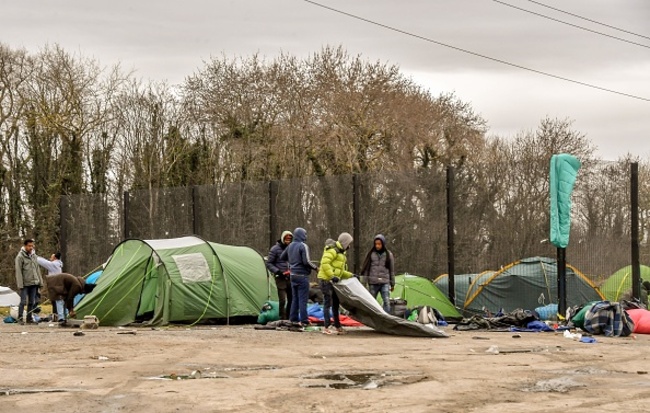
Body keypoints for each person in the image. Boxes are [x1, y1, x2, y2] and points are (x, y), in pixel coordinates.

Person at [280, 227, 318, 327]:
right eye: (305, 234)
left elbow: (282, 257)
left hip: (292, 275)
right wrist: (316, 268)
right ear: (302, 235)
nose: (306, 236)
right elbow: (307, 262)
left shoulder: (290, 245)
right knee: (303, 300)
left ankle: (293, 319)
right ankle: (304, 321)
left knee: (294, 299)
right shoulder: (303, 246)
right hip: (302, 276)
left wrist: (291, 263)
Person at [317, 232, 354, 335]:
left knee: (336, 303)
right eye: (348, 243)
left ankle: (337, 326)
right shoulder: (332, 250)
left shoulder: (342, 254)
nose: (349, 246)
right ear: (344, 243)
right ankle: (326, 326)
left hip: (333, 282)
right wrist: (331, 276)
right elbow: (325, 263)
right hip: (325, 280)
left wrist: (351, 275)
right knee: (327, 303)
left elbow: (340, 271)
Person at [360, 234, 395, 313]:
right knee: (371, 302)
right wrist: (364, 283)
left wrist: (392, 283)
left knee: (386, 301)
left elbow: (391, 270)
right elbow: (366, 269)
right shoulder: (370, 254)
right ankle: (371, 317)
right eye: (376, 244)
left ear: (383, 244)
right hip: (373, 282)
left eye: (379, 244)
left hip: (384, 282)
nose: (377, 246)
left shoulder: (389, 255)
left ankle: (387, 318)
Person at [15, 239, 43, 324]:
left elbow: (37, 269)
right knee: (23, 301)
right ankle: (20, 318)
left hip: (34, 283)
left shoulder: (34, 256)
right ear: (25, 246)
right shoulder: (20, 256)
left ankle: (29, 318)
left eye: (32, 245)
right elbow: (18, 271)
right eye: (29, 246)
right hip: (25, 283)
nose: (31, 247)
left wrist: (40, 282)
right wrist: (20, 284)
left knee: (32, 302)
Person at [266, 231, 293, 320]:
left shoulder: (292, 249)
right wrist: (278, 272)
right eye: (286, 238)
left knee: (291, 299)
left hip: (290, 277)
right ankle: (282, 318)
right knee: (282, 300)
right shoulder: (275, 249)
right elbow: (269, 263)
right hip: (280, 278)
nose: (288, 240)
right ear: (283, 238)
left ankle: (289, 318)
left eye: (290, 239)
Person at [37, 252, 65, 321]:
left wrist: (34, 256)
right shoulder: (59, 264)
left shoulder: (53, 265)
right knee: (56, 301)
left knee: (57, 300)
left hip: (55, 285)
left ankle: (59, 317)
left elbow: (43, 262)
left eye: (51, 257)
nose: (50, 259)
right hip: (59, 285)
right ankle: (58, 316)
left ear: (55, 258)